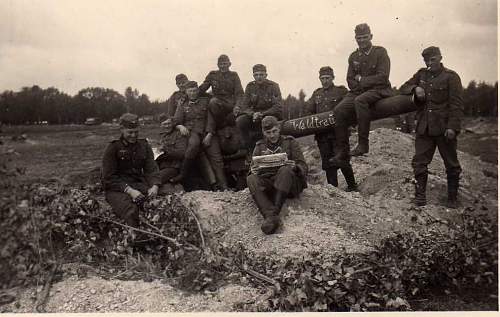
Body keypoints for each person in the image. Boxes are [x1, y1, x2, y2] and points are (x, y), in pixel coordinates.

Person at [400, 46, 463, 208]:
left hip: (444, 128)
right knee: (419, 162)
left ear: (440, 57)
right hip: (424, 128)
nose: (429, 63)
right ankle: (420, 197)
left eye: (432, 59)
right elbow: (403, 87)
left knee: (451, 164)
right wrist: (416, 88)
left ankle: (452, 199)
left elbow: (456, 105)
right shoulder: (421, 74)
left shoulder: (451, 77)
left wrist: (452, 127)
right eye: (426, 60)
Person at [329, 23, 393, 168]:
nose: (362, 40)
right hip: (358, 91)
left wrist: (362, 80)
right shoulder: (353, 56)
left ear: (371, 36)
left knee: (360, 101)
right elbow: (350, 79)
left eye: (365, 37)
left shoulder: (380, 52)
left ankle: (363, 144)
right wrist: (359, 83)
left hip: (379, 90)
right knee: (339, 110)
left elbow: (383, 77)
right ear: (355, 39)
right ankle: (343, 151)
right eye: (359, 38)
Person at [247, 116, 308, 235]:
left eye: (274, 131)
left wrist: (295, 167)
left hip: (290, 185)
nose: (272, 135)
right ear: (263, 132)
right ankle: (271, 216)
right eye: (268, 132)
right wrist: (253, 170)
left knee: (284, 170)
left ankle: (272, 214)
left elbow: (304, 167)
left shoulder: (290, 142)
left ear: (279, 128)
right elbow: (252, 169)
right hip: (271, 186)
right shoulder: (259, 146)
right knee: (251, 178)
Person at [102, 113, 161, 227]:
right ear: (122, 129)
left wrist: (155, 186)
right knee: (131, 212)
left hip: (138, 184)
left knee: (158, 204)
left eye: (136, 132)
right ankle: (137, 242)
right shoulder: (113, 148)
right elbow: (108, 178)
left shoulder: (144, 145)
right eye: (130, 132)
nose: (133, 135)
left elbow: (151, 169)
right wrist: (130, 191)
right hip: (117, 189)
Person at [305, 66, 357, 191]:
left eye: (327, 78)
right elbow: (309, 111)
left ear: (333, 78)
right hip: (323, 136)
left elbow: (350, 107)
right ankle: (334, 190)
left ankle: (352, 187)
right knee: (328, 164)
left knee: (342, 160)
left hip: (339, 134)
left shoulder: (341, 91)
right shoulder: (317, 94)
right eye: (322, 78)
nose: (325, 81)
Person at [172, 81, 228, 190]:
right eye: (190, 91)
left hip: (207, 133)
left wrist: (210, 134)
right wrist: (180, 126)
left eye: (194, 90)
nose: (192, 93)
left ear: (198, 90)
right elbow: (176, 120)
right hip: (192, 132)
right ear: (186, 92)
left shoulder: (206, 101)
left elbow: (211, 120)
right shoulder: (182, 104)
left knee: (216, 158)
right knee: (193, 145)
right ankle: (183, 173)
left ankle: (224, 186)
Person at [234, 64, 283, 154]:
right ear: (253, 76)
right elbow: (245, 106)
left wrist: (263, 114)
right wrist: (253, 114)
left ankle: (272, 149)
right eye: (256, 75)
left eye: (261, 74)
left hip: (270, 114)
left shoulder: (273, 86)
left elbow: (277, 106)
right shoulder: (250, 87)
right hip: (254, 116)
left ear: (266, 75)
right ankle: (250, 150)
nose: (259, 77)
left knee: (267, 122)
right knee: (240, 121)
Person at [199, 54, 244, 129]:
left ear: (229, 64)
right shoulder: (213, 74)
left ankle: (225, 123)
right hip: (217, 102)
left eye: (225, 64)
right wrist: (189, 93)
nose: (223, 66)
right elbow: (203, 87)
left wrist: (237, 106)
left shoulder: (234, 75)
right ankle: (222, 124)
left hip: (230, 103)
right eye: (221, 64)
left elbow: (239, 93)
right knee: (212, 102)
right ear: (218, 65)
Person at [156, 117, 188, 193]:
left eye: (168, 123)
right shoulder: (161, 136)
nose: (167, 126)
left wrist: (166, 149)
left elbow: (181, 153)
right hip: (160, 165)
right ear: (161, 125)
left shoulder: (179, 134)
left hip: (173, 166)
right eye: (164, 124)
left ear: (173, 124)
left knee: (155, 179)